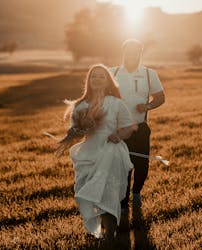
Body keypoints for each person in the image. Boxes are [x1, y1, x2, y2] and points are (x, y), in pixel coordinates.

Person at [58, 64, 137, 240]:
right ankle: (99, 230)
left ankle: (110, 235)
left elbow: (128, 127)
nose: (97, 79)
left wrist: (119, 135)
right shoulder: (81, 105)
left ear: (108, 80)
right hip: (89, 151)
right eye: (94, 76)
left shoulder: (116, 103)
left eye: (102, 76)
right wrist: (80, 130)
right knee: (88, 192)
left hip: (111, 151)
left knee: (107, 191)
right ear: (88, 81)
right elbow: (74, 132)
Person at [109, 39, 165, 210]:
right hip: (119, 129)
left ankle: (137, 193)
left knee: (142, 165)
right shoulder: (113, 72)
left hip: (141, 128)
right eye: (128, 52)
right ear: (123, 52)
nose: (132, 55)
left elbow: (161, 97)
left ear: (140, 54)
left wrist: (147, 106)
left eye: (136, 52)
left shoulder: (149, 73)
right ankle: (123, 202)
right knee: (122, 167)